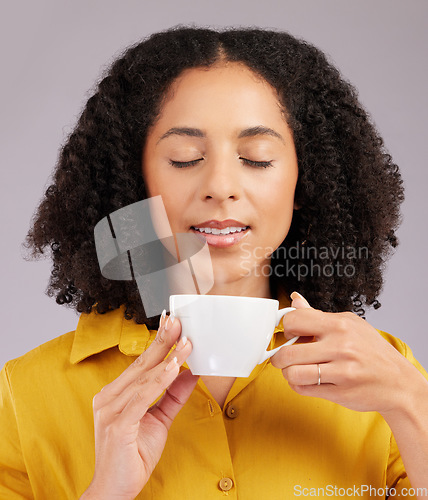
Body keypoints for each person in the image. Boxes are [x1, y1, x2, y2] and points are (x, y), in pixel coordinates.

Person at [1, 25, 427, 499]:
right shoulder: (25, 392)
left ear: (305, 183)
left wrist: (413, 406)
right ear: (132, 181)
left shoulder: (389, 375)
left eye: (257, 158)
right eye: (185, 159)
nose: (220, 185)